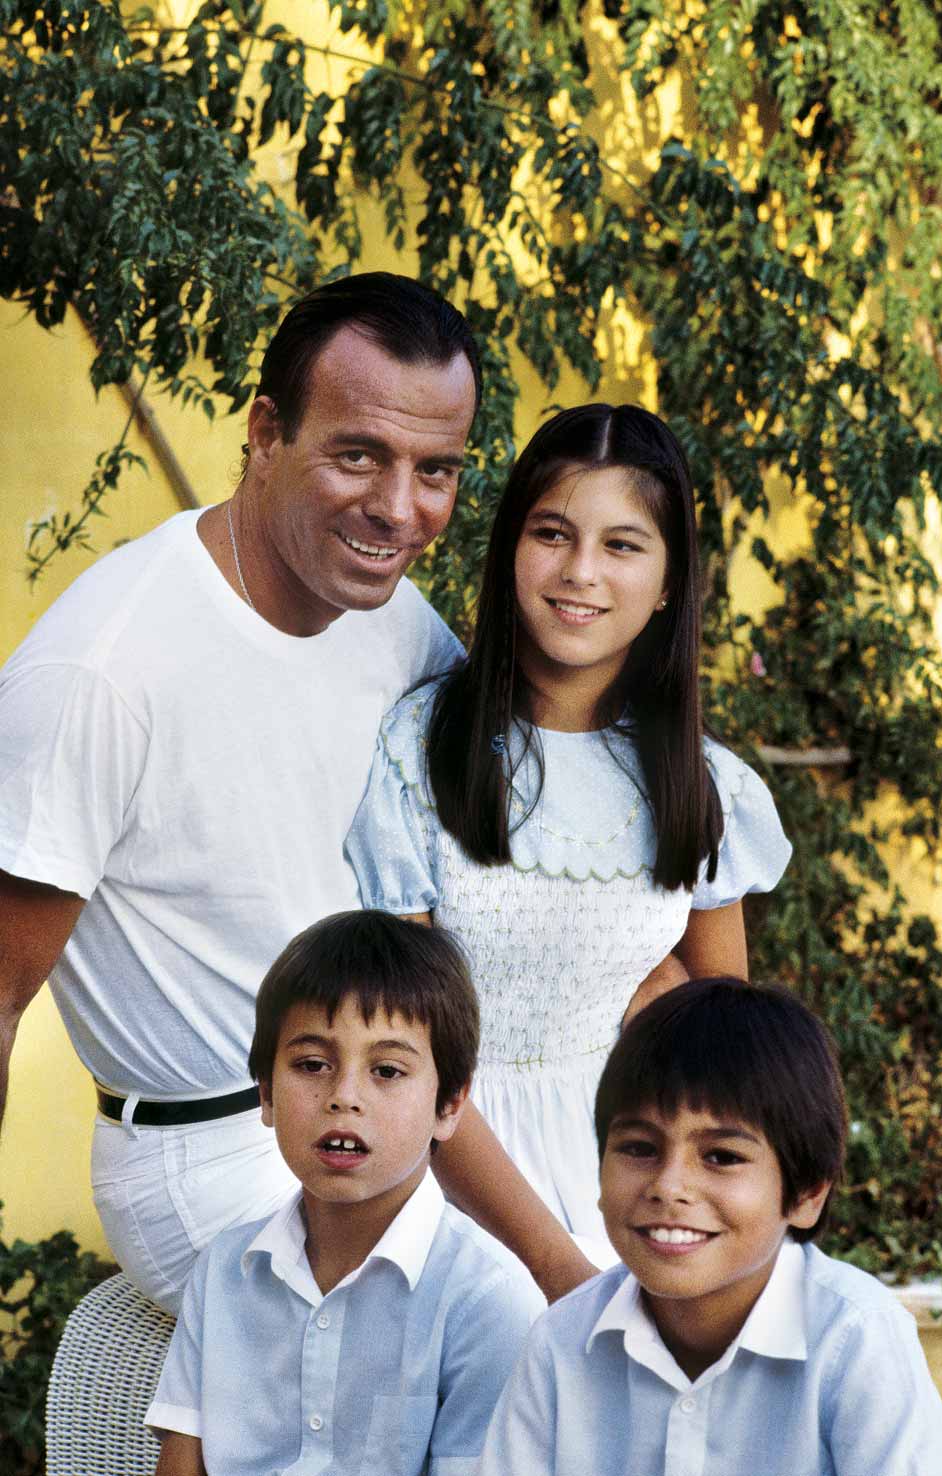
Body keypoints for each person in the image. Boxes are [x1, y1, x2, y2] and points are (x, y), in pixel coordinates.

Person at [0, 273, 479, 1313]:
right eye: (359, 455)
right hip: (209, 1154)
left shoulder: (394, 620)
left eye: (434, 470)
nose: (400, 510)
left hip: (390, 1121)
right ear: (266, 432)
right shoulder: (104, 669)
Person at [346, 403, 792, 1270]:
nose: (580, 572)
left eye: (623, 545)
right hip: (444, 1189)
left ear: (668, 581)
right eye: (552, 533)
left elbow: (721, 1057)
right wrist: (558, 1268)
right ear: (512, 547)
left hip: (634, 1186)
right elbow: (410, 1062)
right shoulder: (415, 755)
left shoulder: (704, 788)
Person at [477, 977, 942, 1476]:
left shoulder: (857, 1339)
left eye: (721, 1156)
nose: (669, 1185)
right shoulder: (560, 1342)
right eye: (639, 1148)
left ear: (807, 1194)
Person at [148, 910, 542, 1476]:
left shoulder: (488, 1301)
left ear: (449, 1105)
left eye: (386, 1070)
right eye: (312, 1064)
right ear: (265, 1094)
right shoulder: (223, 1272)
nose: (344, 1096)